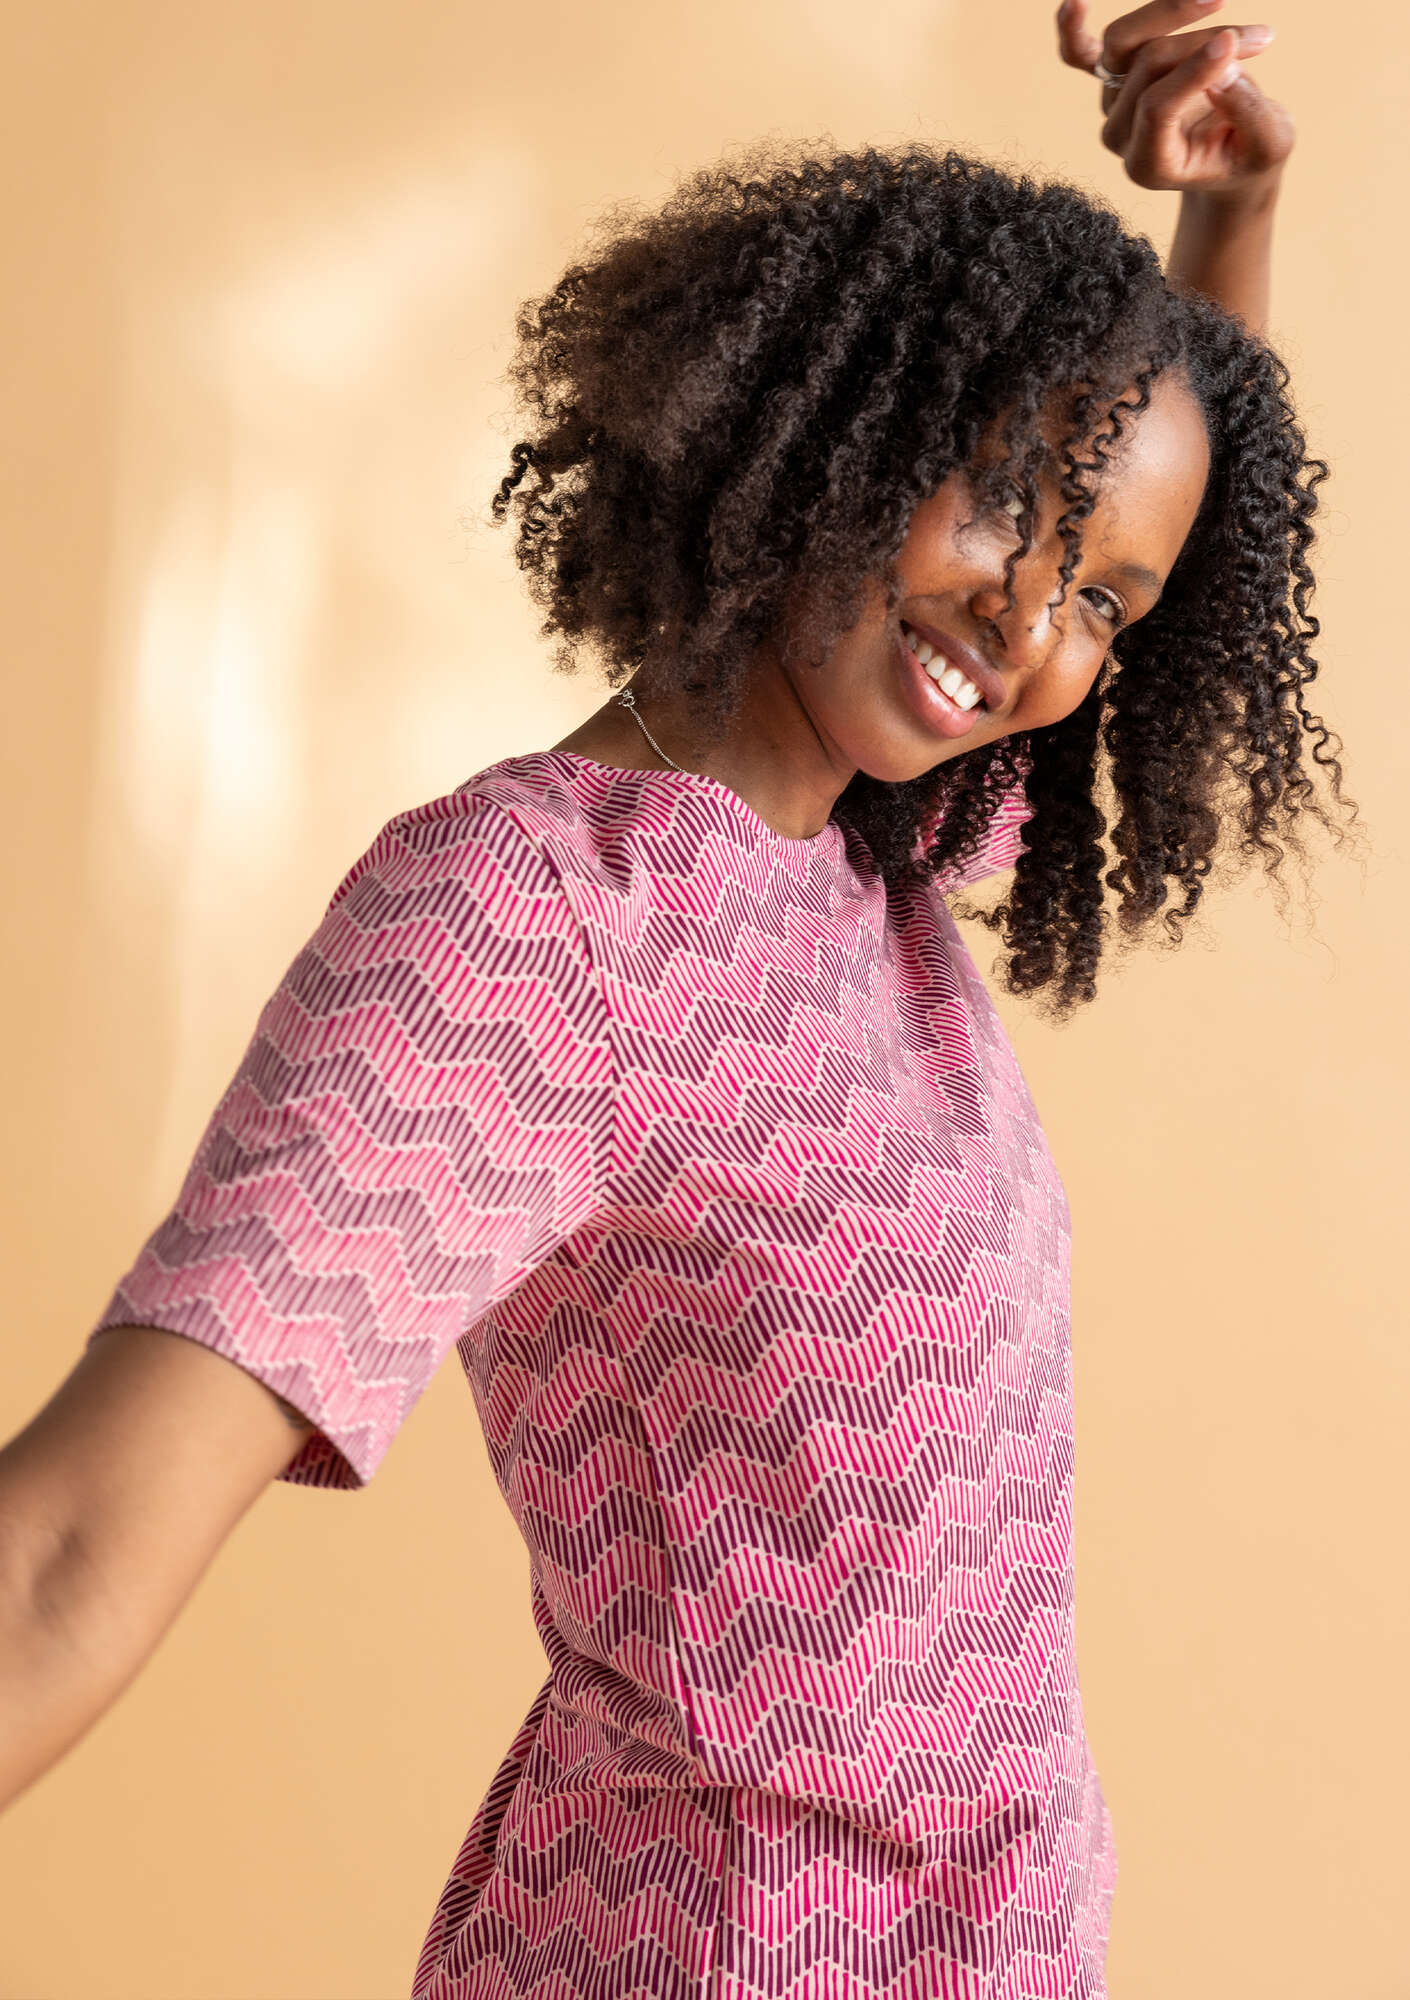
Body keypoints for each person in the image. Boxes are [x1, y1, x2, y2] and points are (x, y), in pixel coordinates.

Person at [0, 5, 1356, 1996]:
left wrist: (1229, 218)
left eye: (1103, 600)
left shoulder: (875, 855)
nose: (1027, 625)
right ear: (840, 427)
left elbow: (1166, 498)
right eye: (1004, 498)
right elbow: (64, 1558)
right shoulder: (537, 921)